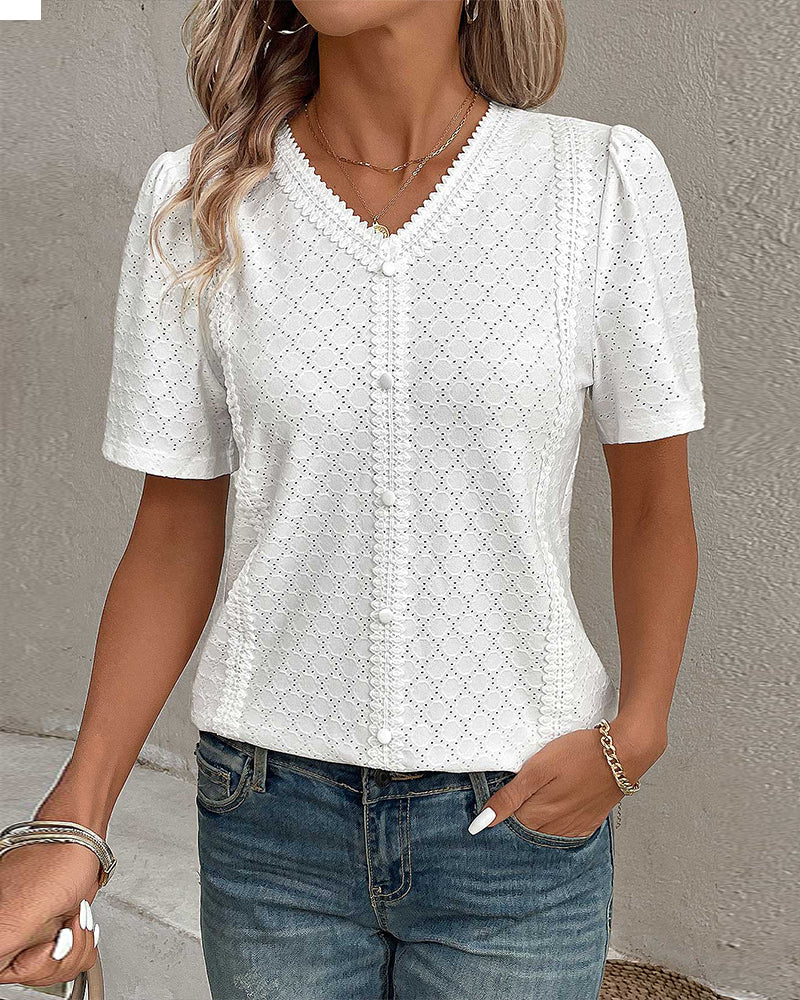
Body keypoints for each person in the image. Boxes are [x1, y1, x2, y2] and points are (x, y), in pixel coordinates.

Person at [0, 1, 707, 997]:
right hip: (268, 822)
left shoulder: (595, 183)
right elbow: (171, 531)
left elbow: (652, 503)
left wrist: (637, 731)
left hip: (513, 822)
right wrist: (74, 819)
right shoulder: (198, 198)